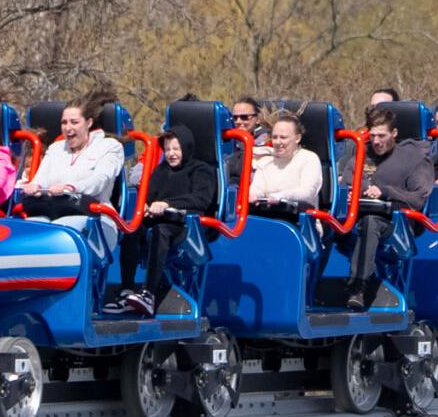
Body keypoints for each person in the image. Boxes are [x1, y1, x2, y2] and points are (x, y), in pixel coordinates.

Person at [106, 126, 218, 316]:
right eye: (167, 150)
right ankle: (127, 289)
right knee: (132, 230)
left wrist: (167, 204)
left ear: (186, 148)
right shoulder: (161, 170)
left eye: (176, 149)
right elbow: (149, 196)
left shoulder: (201, 170)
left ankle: (148, 294)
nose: (171, 154)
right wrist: (148, 207)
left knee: (162, 231)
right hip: (161, 219)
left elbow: (201, 200)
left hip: (187, 225)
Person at [343, 107, 435, 311]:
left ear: (394, 134)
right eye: (373, 135)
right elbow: (347, 182)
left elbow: (419, 199)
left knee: (370, 224)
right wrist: (354, 193)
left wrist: (386, 192)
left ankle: (357, 287)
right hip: (356, 215)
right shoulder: (360, 155)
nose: (376, 141)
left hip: (396, 222)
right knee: (325, 227)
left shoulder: (413, 159)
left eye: (382, 135)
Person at [20, 88, 127, 241]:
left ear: (88, 123)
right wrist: (34, 186)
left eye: (74, 122)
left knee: (60, 233)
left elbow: (100, 181)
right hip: (54, 211)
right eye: (64, 123)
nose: (68, 128)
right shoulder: (56, 148)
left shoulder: (110, 147)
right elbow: (41, 178)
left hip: (95, 216)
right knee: (29, 231)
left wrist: (70, 188)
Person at [248, 113, 323, 209]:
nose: (278, 142)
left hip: (300, 219)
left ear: (297, 138)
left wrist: (281, 196)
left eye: (283, 137)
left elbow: (307, 193)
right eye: (275, 137)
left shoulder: (309, 158)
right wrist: (253, 195)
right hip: (268, 215)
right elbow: (257, 188)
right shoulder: (266, 161)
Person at [224, 96, 272, 183]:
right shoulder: (227, 139)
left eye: (244, 117)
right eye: (234, 118)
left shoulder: (268, 141)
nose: (238, 121)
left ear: (257, 119)